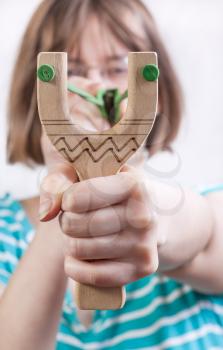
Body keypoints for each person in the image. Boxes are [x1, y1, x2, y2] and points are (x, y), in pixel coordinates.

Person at [1, 0, 223, 349]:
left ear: (155, 93)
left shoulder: (204, 202)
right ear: (39, 96)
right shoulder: (5, 229)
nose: (92, 87)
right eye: (72, 72)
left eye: (117, 68)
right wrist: (68, 187)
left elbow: (206, 236)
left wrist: (150, 217)